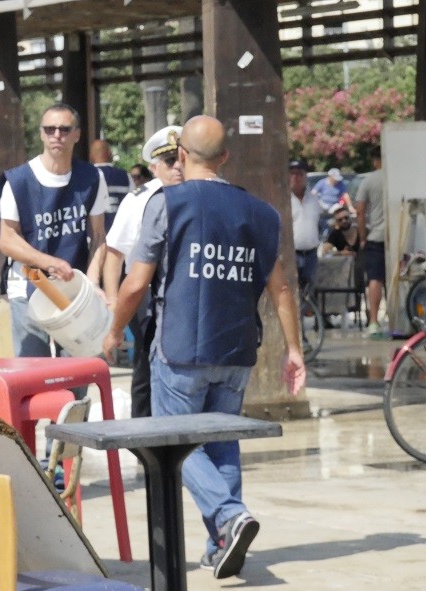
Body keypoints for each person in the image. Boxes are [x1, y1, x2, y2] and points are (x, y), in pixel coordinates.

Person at [103, 115, 305, 580]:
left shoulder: (167, 203)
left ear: (181, 154)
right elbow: (281, 289)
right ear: (225, 157)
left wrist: (114, 331)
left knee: (176, 439)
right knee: (221, 442)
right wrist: (294, 349)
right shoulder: (260, 213)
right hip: (236, 350)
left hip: (181, 348)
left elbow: (135, 284)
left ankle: (230, 516)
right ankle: (221, 544)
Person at [0, 102, 108, 361]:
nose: (56, 135)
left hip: (74, 288)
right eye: (49, 129)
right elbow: (6, 238)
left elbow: (98, 237)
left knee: (79, 370)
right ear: (41, 134)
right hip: (28, 284)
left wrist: (93, 283)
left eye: (64, 129)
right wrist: (48, 262)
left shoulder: (92, 178)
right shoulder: (18, 181)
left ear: (77, 134)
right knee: (33, 371)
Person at [102, 125, 183, 418]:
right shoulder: (137, 200)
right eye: (169, 161)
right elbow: (114, 253)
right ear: (154, 166)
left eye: (181, 159)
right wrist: (114, 302)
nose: (177, 167)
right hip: (145, 293)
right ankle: (143, 433)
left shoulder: (199, 193)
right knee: (146, 365)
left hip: (182, 290)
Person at [354, 145, 386, 338]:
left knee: (375, 279)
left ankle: (373, 321)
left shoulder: (368, 181)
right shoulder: (397, 178)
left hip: (375, 237)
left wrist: (363, 238)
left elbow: (360, 212)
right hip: (398, 237)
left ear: (375, 161)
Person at [290, 158, 321, 296]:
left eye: (299, 174)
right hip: (292, 253)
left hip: (310, 254)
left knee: (308, 292)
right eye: (292, 174)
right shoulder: (284, 200)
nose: (295, 178)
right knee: (293, 290)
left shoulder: (314, 199)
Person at [89, 139, 131, 233]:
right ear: (109, 154)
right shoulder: (125, 176)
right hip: (120, 234)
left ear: (91, 156)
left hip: (93, 235)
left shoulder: (85, 178)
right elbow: (134, 205)